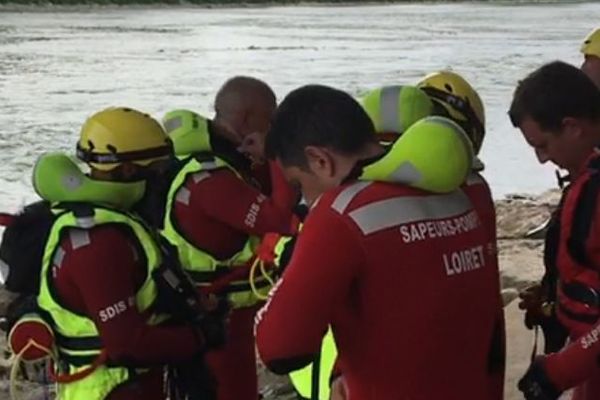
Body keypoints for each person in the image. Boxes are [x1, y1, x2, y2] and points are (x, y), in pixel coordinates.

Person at [255, 84, 502, 399]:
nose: (304, 198)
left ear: (319, 160)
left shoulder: (342, 214)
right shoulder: (469, 189)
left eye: (298, 184)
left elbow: (280, 347)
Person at [0, 107, 224, 400]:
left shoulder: (113, 224)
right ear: (129, 169)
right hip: (113, 389)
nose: (163, 178)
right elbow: (127, 344)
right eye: (157, 169)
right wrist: (200, 336)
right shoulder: (99, 242)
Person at [159, 76, 298, 400]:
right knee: (231, 391)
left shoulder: (227, 163)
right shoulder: (212, 177)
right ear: (249, 118)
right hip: (218, 313)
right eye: (271, 117)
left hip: (222, 311)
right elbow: (279, 219)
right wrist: (276, 155)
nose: (274, 124)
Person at [509, 61, 600, 400]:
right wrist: (556, 294)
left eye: (543, 145)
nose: (541, 160)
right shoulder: (586, 177)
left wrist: (559, 370)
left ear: (572, 127)